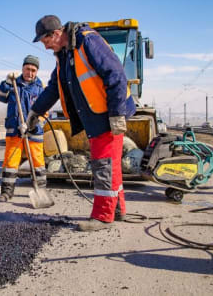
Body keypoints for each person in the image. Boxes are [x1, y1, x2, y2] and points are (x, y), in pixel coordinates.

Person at [27, 15, 136, 231]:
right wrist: (35, 112)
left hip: (108, 114)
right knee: (110, 163)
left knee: (103, 164)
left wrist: (116, 114)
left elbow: (116, 75)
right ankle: (117, 209)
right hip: (95, 116)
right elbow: (52, 89)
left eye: (46, 41)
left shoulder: (88, 41)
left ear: (56, 34)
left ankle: (103, 217)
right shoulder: (64, 55)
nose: (46, 47)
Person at [0, 55, 46, 202]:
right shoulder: (13, 84)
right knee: (10, 163)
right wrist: (6, 82)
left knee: (38, 164)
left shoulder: (40, 88)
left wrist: (33, 125)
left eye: (34, 70)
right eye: (28, 69)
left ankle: (40, 191)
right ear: (22, 68)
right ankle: (6, 193)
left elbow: (44, 112)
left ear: (37, 72)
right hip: (14, 131)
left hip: (34, 133)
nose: (30, 72)